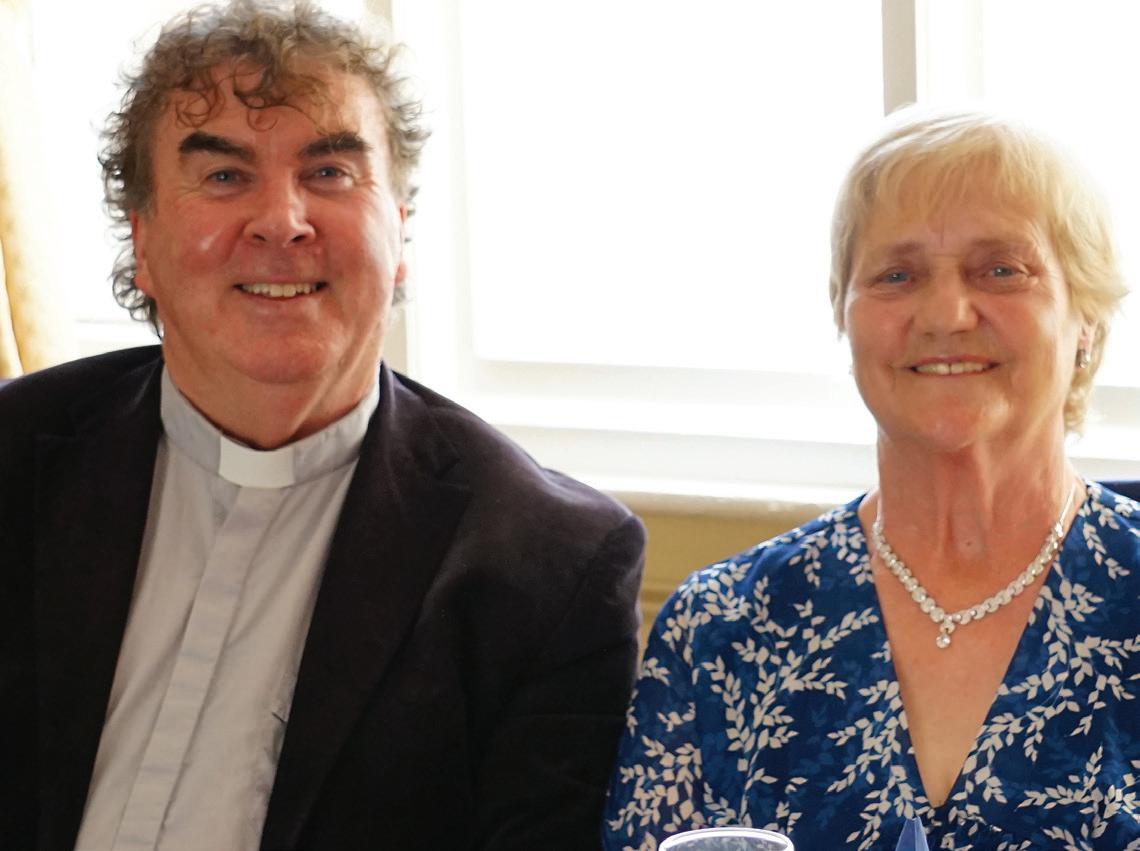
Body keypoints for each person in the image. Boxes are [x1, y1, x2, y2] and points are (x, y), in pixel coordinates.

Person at [0, 2, 645, 848]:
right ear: (143, 242)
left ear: (399, 234)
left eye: (331, 172)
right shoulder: (13, 457)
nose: (282, 219)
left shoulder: (547, 569)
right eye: (224, 176)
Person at [603, 109, 1140, 849]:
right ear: (845, 316)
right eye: (898, 275)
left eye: (1000, 269)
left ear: (1087, 319)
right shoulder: (718, 631)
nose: (946, 314)